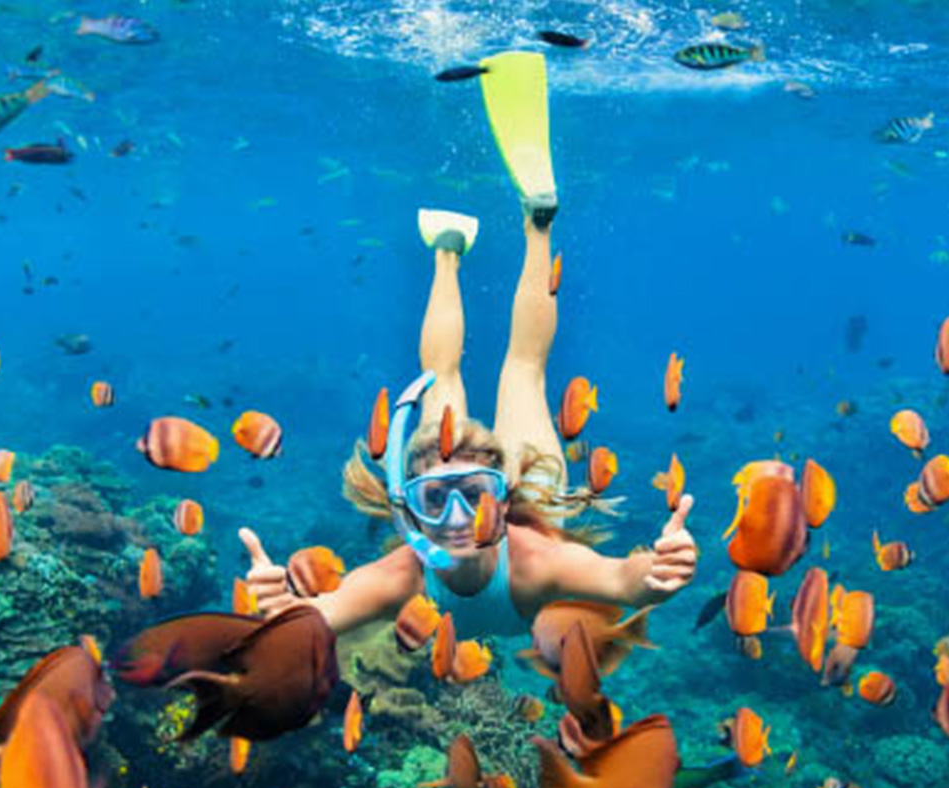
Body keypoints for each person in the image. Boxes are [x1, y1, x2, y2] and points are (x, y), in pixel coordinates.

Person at [239, 50, 697, 636]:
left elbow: (621, 580)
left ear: (503, 501)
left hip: (527, 498)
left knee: (459, 372)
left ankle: (463, 244)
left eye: (474, 495)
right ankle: (521, 227)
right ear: (412, 511)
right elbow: (318, 618)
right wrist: (283, 612)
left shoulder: (536, 561)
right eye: (436, 500)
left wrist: (654, 575)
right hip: (541, 488)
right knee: (521, 371)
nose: (458, 519)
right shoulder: (403, 572)